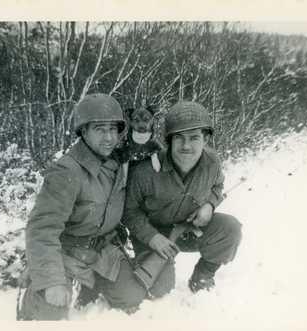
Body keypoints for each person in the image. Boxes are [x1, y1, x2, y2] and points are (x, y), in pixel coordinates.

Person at [19, 94, 146, 320]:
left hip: (104, 251)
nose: (108, 137)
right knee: (50, 310)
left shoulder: (118, 163)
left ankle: (89, 285)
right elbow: (42, 229)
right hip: (67, 253)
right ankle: (32, 293)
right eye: (99, 129)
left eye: (113, 129)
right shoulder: (66, 172)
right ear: (83, 132)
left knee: (133, 296)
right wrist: (51, 281)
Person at [123, 101, 242, 298]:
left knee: (230, 229)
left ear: (205, 139)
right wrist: (152, 238)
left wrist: (210, 205)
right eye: (179, 138)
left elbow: (217, 185)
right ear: (169, 140)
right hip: (153, 235)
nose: (186, 146)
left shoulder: (212, 163)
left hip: (188, 230)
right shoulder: (145, 170)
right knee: (158, 290)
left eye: (194, 138)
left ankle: (203, 276)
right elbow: (129, 211)